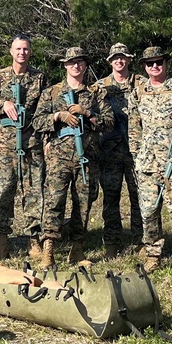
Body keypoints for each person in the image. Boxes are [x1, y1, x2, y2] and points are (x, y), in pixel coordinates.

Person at [32, 47, 113, 269]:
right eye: (71, 63)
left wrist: (87, 113)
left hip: (87, 157)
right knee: (54, 201)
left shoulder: (96, 93)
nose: (75, 66)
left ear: (85, 65)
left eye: (80, 62)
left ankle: (77, 249)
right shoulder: (52, 92)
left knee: (84, 203)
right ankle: (49, 250)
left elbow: (108, 122)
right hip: (59, 156)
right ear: (65, 66)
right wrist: (59, 116)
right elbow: (37, 122)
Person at [128, 46, 172, 281]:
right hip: (147, 165)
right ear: (144, 67)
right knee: (148, 212)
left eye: (159, 62)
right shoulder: (138, 93)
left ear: (165, 63)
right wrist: (137, 155)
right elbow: (134, 127)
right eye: (150, 64)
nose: (155, 66)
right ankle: (153, 254)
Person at [0, 34, 48, 260]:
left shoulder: (40, 78)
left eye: (26, 49)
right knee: (5, 191)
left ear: (30, 52)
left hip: (32, 143)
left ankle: (34, 240)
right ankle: (2, 241)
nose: (22, 53)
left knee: (33, 192)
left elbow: (47, 105)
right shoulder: (0, 77)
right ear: (11, 51)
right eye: (18, 49)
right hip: (6, 145)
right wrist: (4, 103)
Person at [95, 43, 143, 258]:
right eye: (115, 58)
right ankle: (112, 243)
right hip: (110, 151)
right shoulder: (99, 86)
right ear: (110, 61)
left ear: (129, 59)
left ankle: (142, 241)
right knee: (111, 198)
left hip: (137, 151)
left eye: (123, 57)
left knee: (140, 197)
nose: (119, 61)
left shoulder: (141, 83)